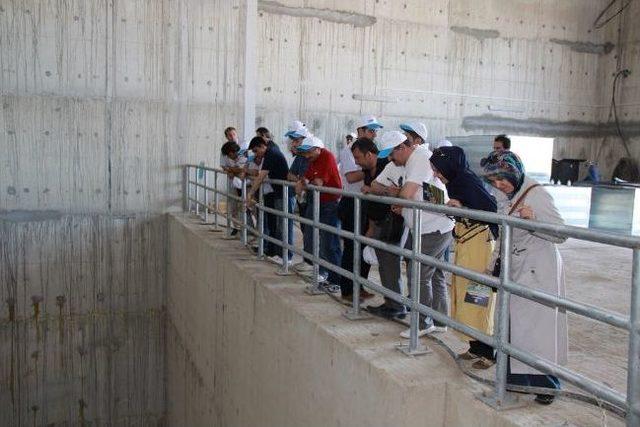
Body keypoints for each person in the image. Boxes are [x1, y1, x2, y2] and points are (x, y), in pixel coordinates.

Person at [482, 150, 568, 405]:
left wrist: (534, 221)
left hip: (538, 270)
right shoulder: (506, 193)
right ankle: (515, 381)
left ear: (515, 172)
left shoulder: (537, 194)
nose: (499, 186)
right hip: (517, 267)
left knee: (536, 333)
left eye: (503, 180)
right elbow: (503, 228)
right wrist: (492, 264)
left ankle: (547, 387)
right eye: (494, 182)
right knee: (513, 328)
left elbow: (561, 233)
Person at [430, 146, 498, 368]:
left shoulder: (466, 182)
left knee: (477, 296)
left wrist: (463, 206)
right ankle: (474, 345)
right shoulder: (456, 183)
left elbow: (489, 209)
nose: (436, 175)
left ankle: (488, 352)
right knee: (463, 294)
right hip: (466, 243)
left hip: (479, 246)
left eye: (438, 170)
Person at [383, 134, 455, 338]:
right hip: (435, 225)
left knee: (419, 275)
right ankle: (440, 320)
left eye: (392, 155)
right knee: (435, 275)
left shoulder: (420, 158)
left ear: (401, 148)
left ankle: (422, 323)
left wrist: (399, 197)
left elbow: (407, 194)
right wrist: (405, 207)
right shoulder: (418, 159)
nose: (391, 160)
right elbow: (418, 194)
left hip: (432, 228)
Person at [353, 133, 408, 317]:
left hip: (392, 223)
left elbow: (399, 193)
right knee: (384, 266)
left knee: (391, 265)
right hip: (379, 222)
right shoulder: (380, 168)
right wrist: (386, 191)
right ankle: (391, 303)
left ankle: (397, 306)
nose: (356, 162)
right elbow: (375, 187)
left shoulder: (392, 165)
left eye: (358, 157)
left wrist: (386, 192)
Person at [294, 137, 343, 288]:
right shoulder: (313, 159)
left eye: (309, 152)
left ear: (317, 149)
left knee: (330, 242)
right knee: (316, 238)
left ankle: (336, 280)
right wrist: (305, 182)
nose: (307, 156)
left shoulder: (326, 156)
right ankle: (325, 273)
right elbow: (305, 179)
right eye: (305, 153)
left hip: (329, 204)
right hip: (317, 202)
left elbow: (317, 182)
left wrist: (305, 183)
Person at [246, 137, 290, 263]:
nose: (256, 154)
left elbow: (261, 176)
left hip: (282, 193)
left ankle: (283, 256)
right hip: (275, 192)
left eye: (255, 150)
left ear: (262, 146)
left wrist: (250, 193)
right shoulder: (270, 152)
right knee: (273, 223)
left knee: (281, 225)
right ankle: (272, 251)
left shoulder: (271, 153)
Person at [337, 133, 369, 299]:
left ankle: (360, 286)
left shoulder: (370, 149)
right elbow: (351, 177)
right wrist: (370, 169)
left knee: (364, 246)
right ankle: (347, 289)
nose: (373, 134)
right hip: (351, 203)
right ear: (360, 130)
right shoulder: (348, 151)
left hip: (364, 203)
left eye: (374, 131)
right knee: (351, 247)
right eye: (369, 130)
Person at [220, 139, 247, 237]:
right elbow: (226, 168)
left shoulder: (243, 154)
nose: (228, 157)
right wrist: (231, 170)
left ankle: (248, 230)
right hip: (236, 185)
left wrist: (230, 170)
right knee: (234, 208)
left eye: (228, 155)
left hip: (246, 186)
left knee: (247, 208)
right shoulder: (232, 157)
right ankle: (237, 228)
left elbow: (240, 169)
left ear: (232, 152)